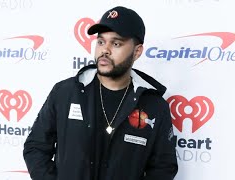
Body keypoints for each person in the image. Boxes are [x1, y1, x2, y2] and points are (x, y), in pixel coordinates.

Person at [23, 6, 178, 180]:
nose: (105, 50)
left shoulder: (155, 106)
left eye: (116, 43)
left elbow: (164, 168)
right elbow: (36, 147)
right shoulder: (64, 92)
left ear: (137, 51)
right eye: (101, 41)